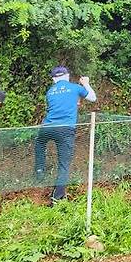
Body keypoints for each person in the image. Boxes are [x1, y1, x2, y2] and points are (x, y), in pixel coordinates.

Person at [35, 67, 97, 203]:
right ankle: (56, 199)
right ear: (67, 76)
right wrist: (86, 83)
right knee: (64, 164)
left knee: (39, 143)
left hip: (48, 127)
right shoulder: (75, 87)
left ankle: (39, 171)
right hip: (65, 129)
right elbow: (93, 98)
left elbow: (58, 106)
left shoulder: (50, 92)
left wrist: (74, 103)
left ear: (53, 79)